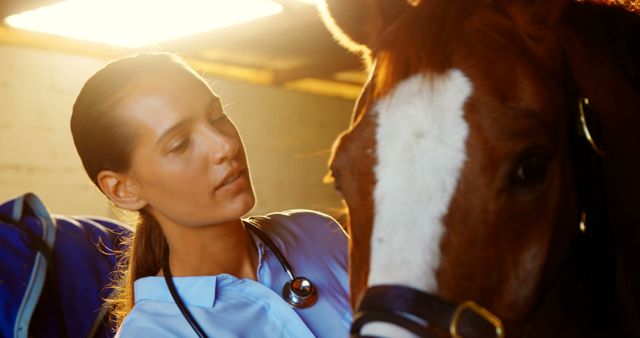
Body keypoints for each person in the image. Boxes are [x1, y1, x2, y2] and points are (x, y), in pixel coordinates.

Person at [70, 52, 351, 337]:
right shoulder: (152, 332)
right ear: (124, 189)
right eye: (180, 144)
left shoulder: (318, 234)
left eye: (217, 117)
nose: (225, 144)